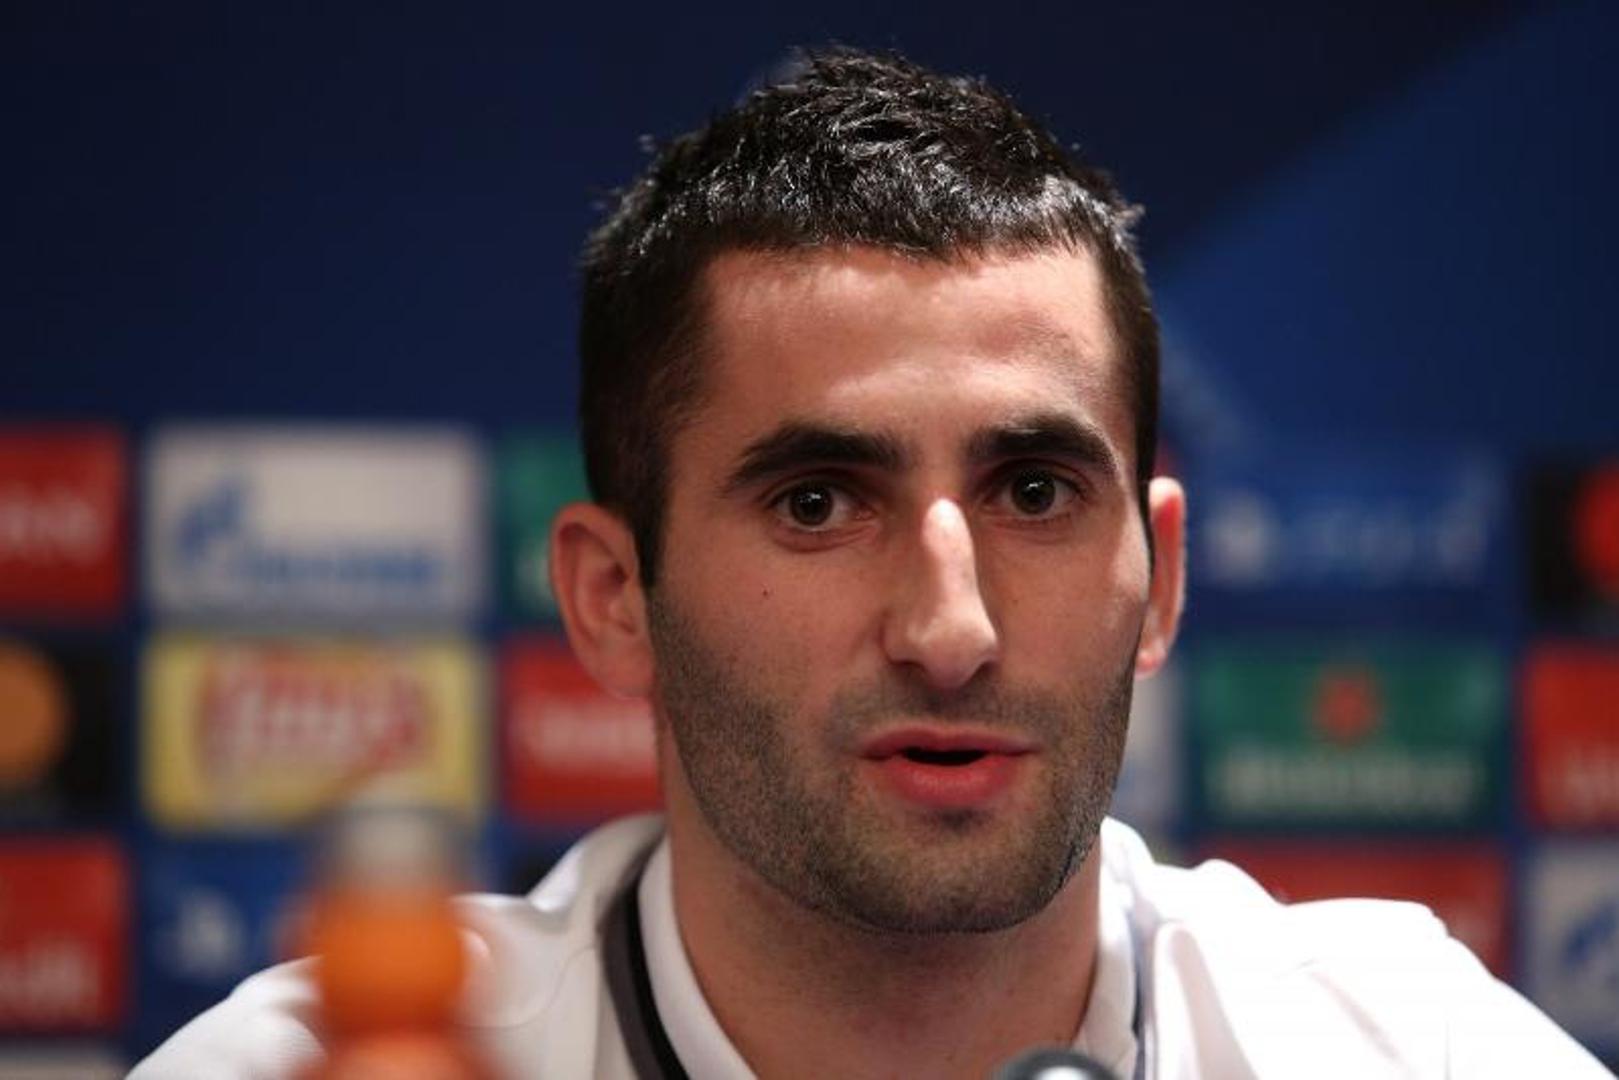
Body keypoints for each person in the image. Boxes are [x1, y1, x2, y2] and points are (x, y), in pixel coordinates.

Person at [133, 48, 1607, 1079]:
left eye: (1035, 490)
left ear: (1158, 578)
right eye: (819, 503)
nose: (950, 630)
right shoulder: (315, 1068)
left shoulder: (1404, 1051)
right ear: (613, 599)